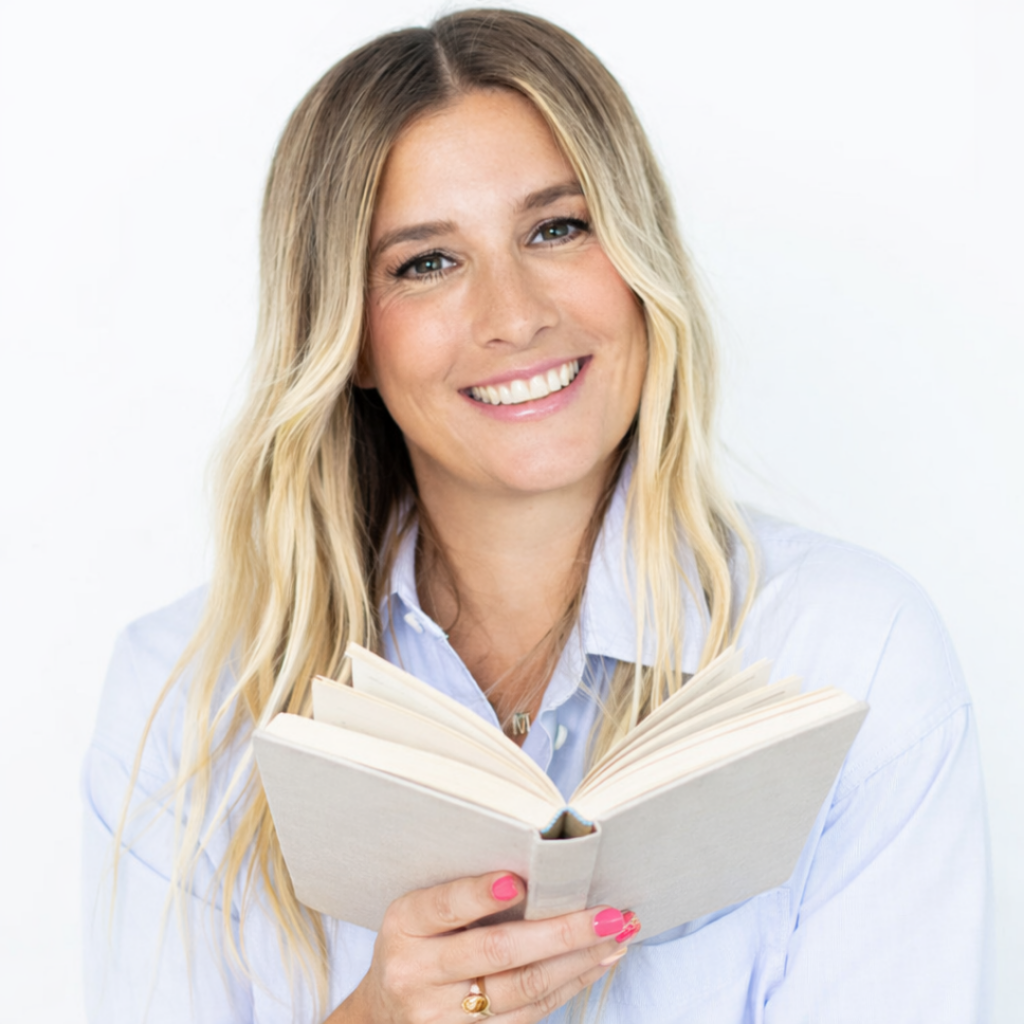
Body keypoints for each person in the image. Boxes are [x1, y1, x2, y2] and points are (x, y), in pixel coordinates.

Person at [81, 9, 990, 1023]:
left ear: (639, 260)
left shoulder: (849, 653)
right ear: (348, 338)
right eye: (425, 261)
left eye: (556, 227)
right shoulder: (191, 704)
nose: (513, 315)